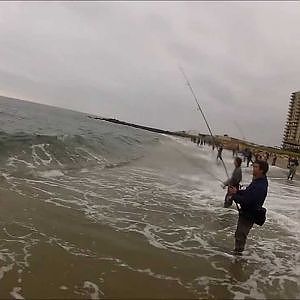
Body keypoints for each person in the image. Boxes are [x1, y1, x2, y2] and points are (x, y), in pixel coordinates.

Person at [228, 160, 269, 255]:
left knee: (240, 235)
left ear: (261, 170)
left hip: (249, 215)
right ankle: (237, 254)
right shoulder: (258, 181)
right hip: (247, 213)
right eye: (253, 166)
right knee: (239, 234)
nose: (253, 169)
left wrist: (234, 195)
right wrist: (237, 191)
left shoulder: (260, 186)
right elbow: (248, 193)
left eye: (255, 167)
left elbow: (248, 201)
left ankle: (237, 257)